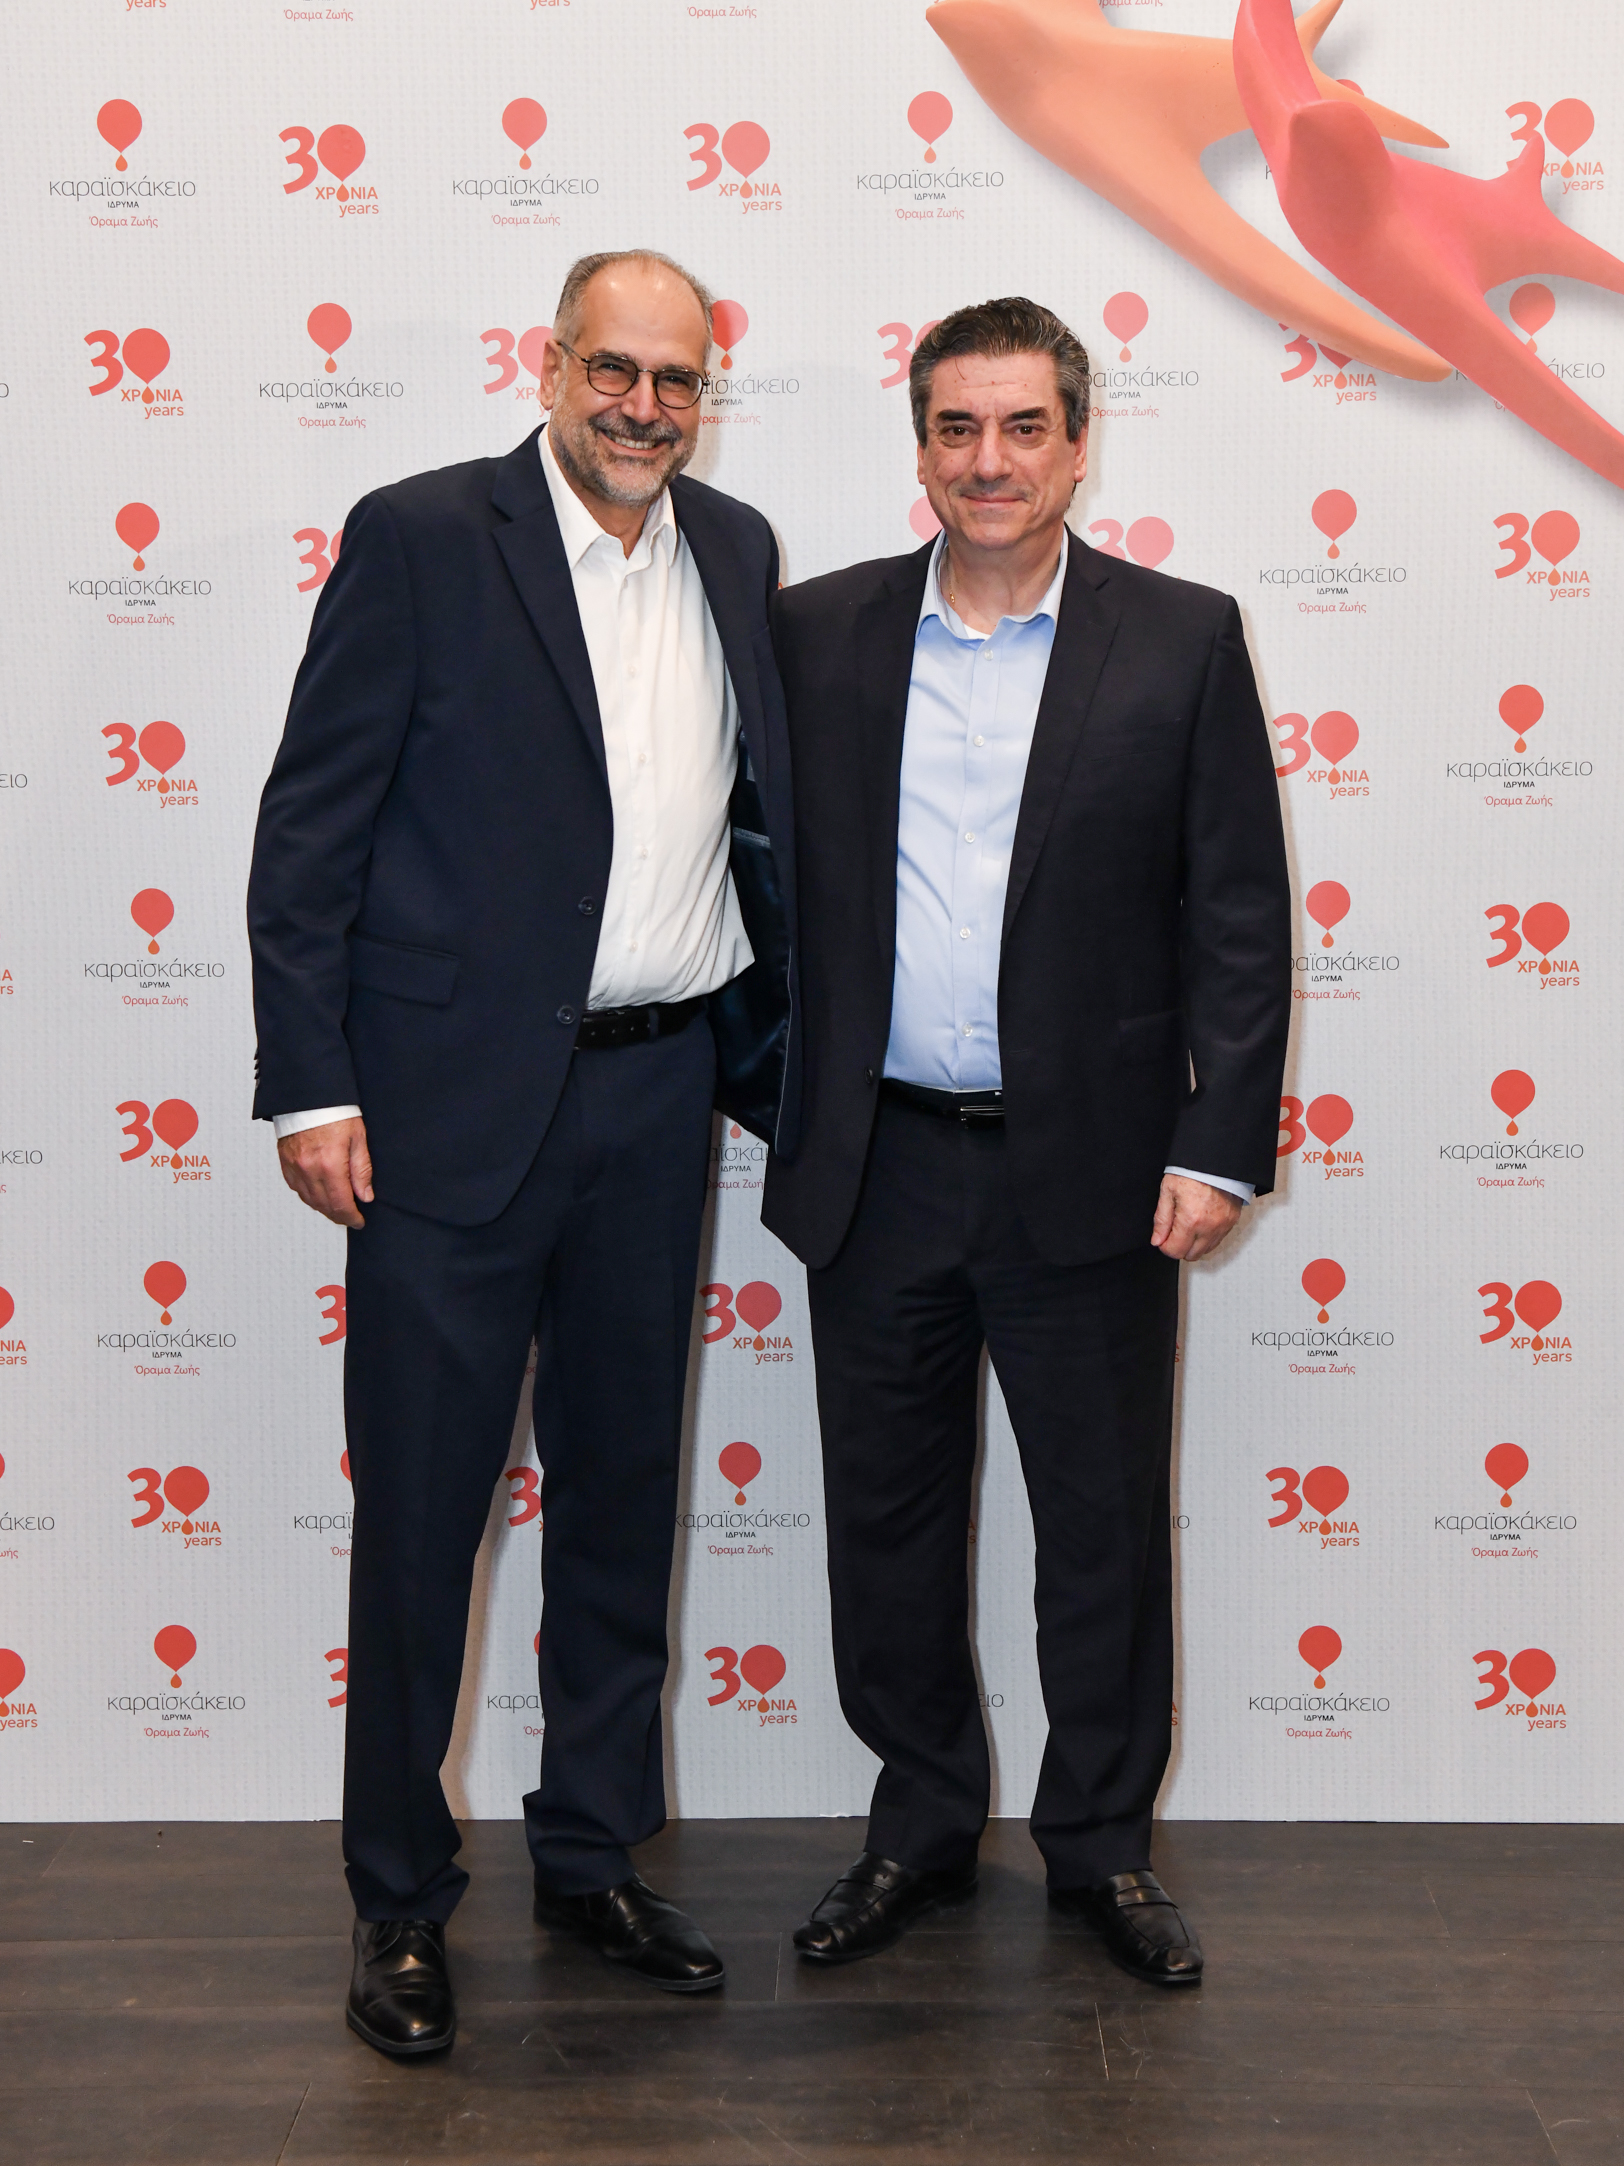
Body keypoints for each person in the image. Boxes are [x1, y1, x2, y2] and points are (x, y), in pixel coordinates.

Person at [247, 249, 797, 2055]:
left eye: (677, 378)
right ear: (550, 365)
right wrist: (310, 1086)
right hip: (446, 1111)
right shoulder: (421, 537)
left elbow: (755, 823)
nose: (644, 406)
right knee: (425, 1516)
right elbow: (309, 830)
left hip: (656, 1093)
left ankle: (591, 1853)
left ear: (706, 394)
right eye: (615, 369)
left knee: (624, 1498)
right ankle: (398, 1897)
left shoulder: (737, 553)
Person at [763, 296, 1289, 1985]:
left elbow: (1237, 914)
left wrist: (1218, 1143)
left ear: (1076, 441)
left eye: (1022, 427)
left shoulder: (1182, 637)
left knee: (1103, 1529)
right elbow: (751, 884)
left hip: (1100, 1170)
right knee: (888, 1524)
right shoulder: (815, 633)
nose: (988, 460)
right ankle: (919, 1824)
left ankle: (1103, 1847)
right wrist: (783, 1097)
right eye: (956, 428)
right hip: (880, 1166)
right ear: (920, 445)